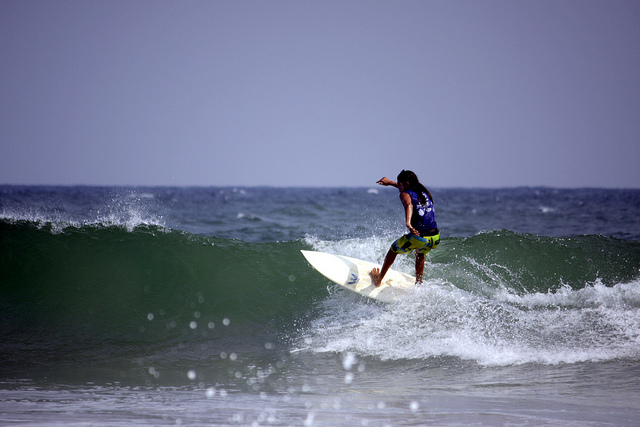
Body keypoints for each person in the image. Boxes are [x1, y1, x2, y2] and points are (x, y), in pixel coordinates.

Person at [370, 170, 440, 287]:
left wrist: (408, 224)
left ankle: (379, 279)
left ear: (406, 184)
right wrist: (390, 183)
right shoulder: (423, 192)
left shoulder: (405, 194)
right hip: (435, 237)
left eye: (400, 184)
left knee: (393, 249)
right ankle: (419, 283)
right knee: (420, 253)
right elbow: (405, 190)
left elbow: (409, 204)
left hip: (420, 237)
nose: (399, 186)